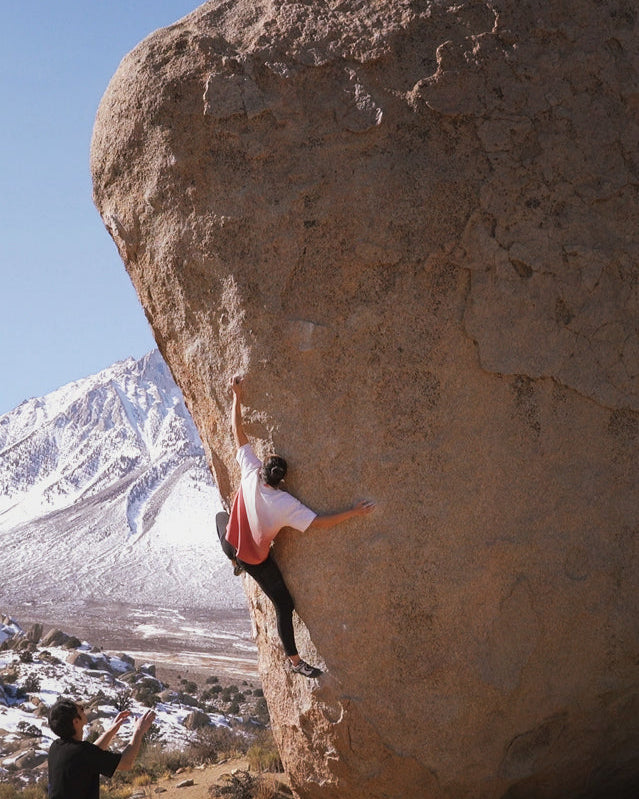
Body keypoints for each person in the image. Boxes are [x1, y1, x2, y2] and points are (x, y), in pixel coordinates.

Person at [216, 374, 376, 679]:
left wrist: (237, 396)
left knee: (219, 518)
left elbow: (237, 433)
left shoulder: (250, 471)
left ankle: (233, 560)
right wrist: (354, 512)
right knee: (284, 604)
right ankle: (295, 662)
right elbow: (319, 522)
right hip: (255, 560)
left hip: (231, 544)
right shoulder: (286, 505)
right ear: (282, 481)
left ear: (262, 469)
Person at [47, 698, 155, 799]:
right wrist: (139, 731)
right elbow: (126, 763)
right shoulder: (83, 752)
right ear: (76, 722)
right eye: (81, 709)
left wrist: (111, 730)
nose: (83, 709)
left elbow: (92, 754)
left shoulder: (56, 747)